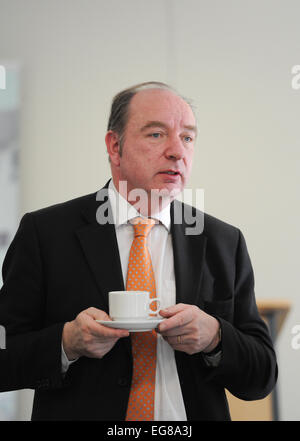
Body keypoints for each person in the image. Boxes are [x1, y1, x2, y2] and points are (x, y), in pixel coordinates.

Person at [0, 81, 277, 421]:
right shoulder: (45, 234)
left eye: (187, 137)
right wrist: (66, 342)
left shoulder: (223, 241)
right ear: (114, 146)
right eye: (157, 134)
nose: (178, 151)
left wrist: (215, 337)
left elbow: (262, 375)